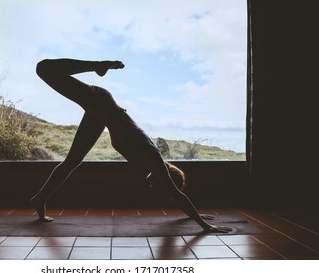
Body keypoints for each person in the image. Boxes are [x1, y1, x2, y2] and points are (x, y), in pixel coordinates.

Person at [30, 58, 231, 233]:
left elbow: (176, 196)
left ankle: (40, 198)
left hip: (100, 114)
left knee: (72, 161)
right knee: (44, 68)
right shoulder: (153, 158)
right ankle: (98, 65)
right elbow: (177, 195)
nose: (156, 189)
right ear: (166, 178)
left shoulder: (147, 164)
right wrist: (204, 226)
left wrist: (194, 215)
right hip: (100, 102)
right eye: (162, 188)